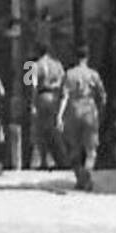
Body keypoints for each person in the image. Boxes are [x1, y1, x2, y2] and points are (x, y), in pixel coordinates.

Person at [58, 44, 107, 191]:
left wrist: (59, 116)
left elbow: (64, 97)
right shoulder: (94, 74)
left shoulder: (69, 74)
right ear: (87, 57)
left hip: (73, 112)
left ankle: (80, 178)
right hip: (89, 112)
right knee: (91, 149)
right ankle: (87, 173)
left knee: (74, 148)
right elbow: (103, 96)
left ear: (75, 56)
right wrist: (100, 110)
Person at [28, 41, 67, 169]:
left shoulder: (35, 66)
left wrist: (33, 104)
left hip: (42, 97)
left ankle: (44, 160)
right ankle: (59, 159)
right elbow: (63, 82)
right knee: (55, 130)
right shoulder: (57, 64)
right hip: (55, 97)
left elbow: (33, 86)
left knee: (42, 131)